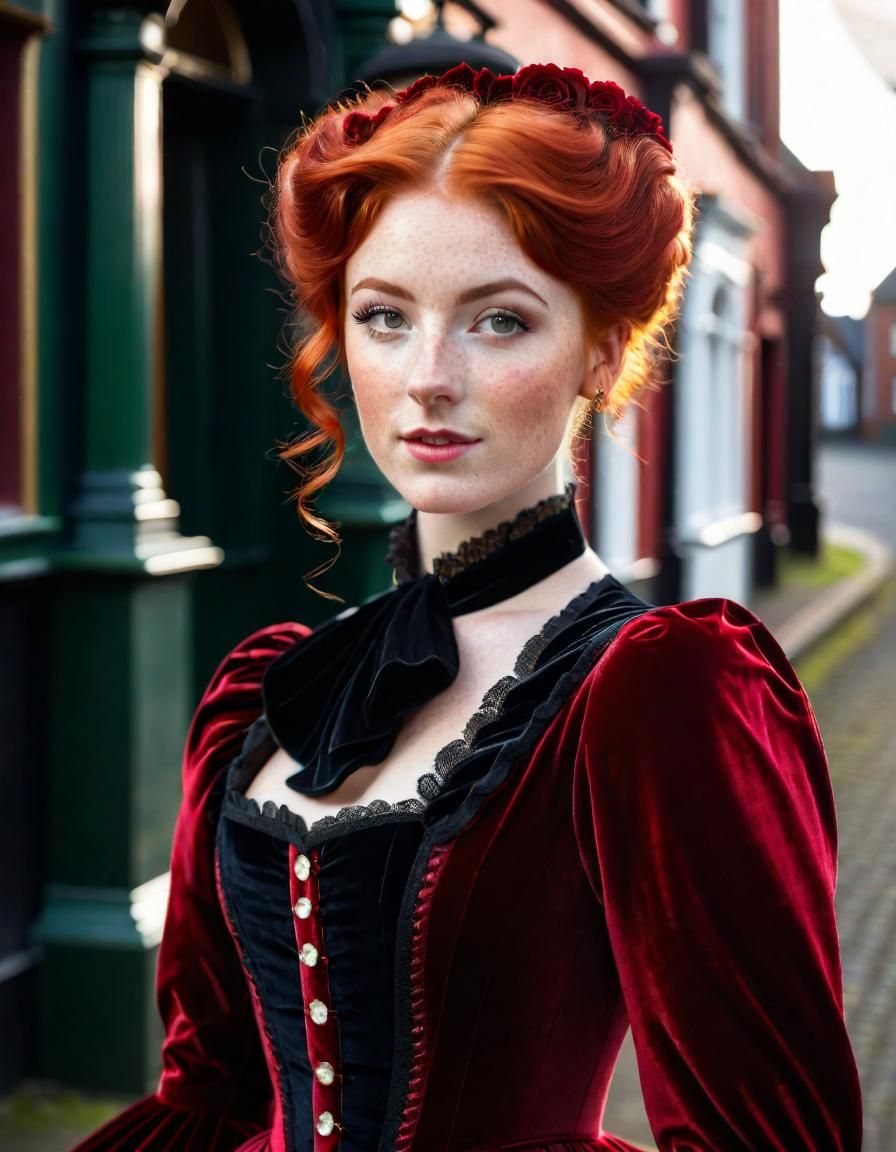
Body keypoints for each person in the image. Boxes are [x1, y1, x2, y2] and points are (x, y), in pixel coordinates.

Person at [72, 62, 862, 1152]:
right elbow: (210, 1093)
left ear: (602, 351)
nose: (428, 377)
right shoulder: (268, 690)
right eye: (383, 317)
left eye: (498, 321)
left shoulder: (661, 691)